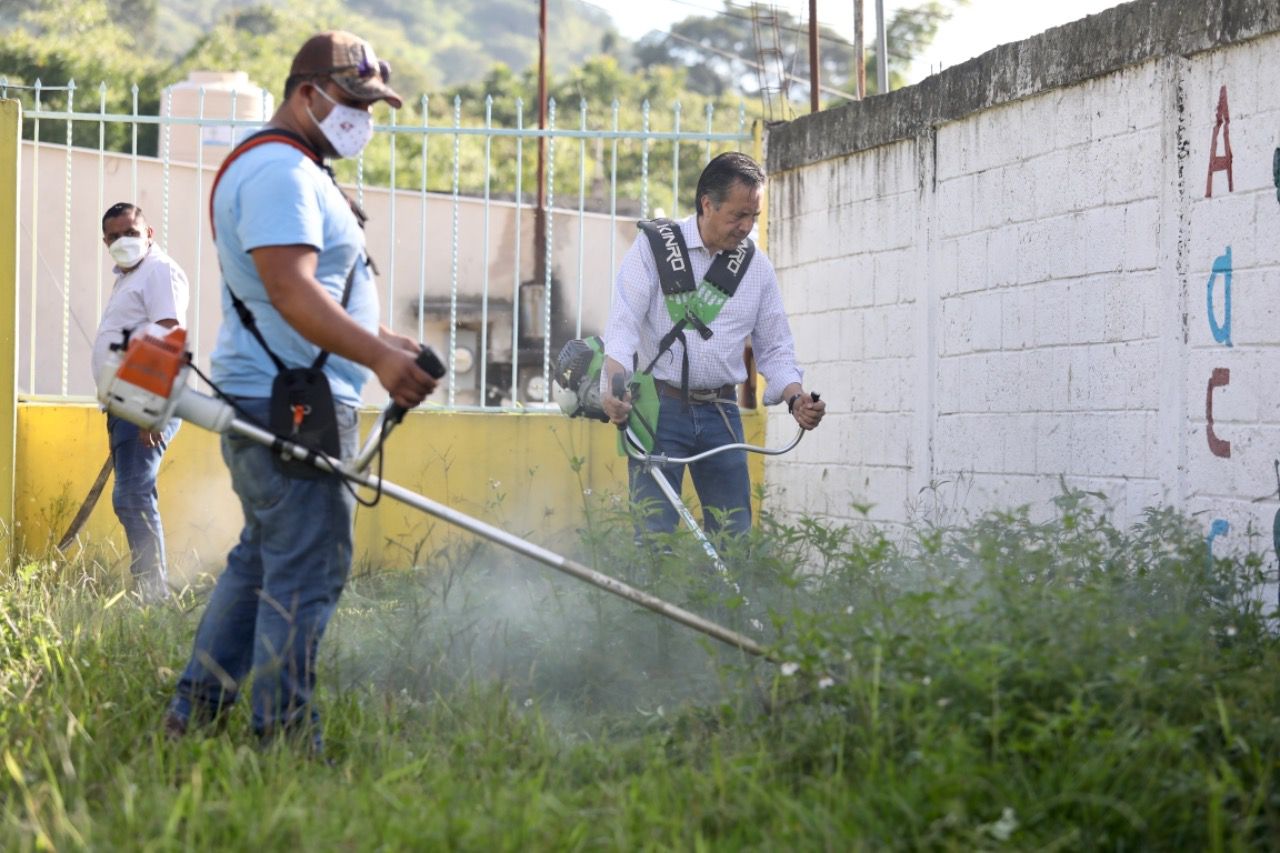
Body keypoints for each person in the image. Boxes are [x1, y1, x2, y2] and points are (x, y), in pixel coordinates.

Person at [164, 31, 437, 751]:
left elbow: (305, 294)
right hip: (292, 405)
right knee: (308, 565)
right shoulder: (280, 171)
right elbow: (289, 289)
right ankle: (282, 737)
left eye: (371, 105)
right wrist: (376, 353)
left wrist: (383, 338)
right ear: (307, 93)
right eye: (353, 100)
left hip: (289, 395)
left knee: (264, 558)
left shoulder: (298, 167)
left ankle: (193, 711)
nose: (363, 117)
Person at [601, 151, 826, 538]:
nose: (746, 227)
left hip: (721, 412)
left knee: (734, 534)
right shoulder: (653, 249)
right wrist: (613, 387)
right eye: (738, 215)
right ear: (707, 203)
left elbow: (775, 348)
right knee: (654, 533)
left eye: (753, 216)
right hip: (658, 408)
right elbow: (622, 326)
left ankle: (726, 600)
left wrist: (795, 398)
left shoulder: (756, 268)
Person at [91, 202, 189, 603]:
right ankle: (151, 591)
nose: (122, 241)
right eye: (114, 237)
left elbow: (167, 331)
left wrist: (150, 406)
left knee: (133, 496)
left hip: (143, 400)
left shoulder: (159, 270)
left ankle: (153, 596)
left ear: (149, 234)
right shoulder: (132, 276)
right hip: (128, 401)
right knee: (131, 496)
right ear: (105, 242)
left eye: (131, 232)